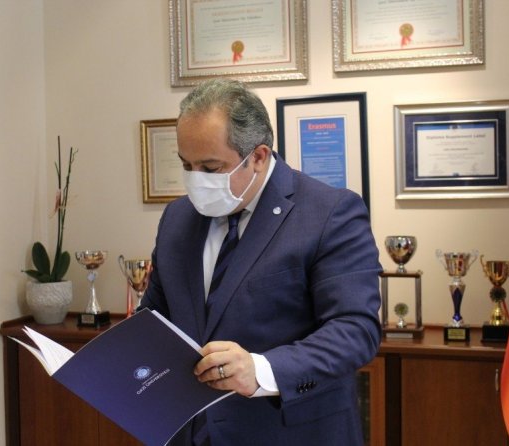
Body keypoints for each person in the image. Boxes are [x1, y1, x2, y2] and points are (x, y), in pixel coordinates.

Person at [139, 78, 381, 445]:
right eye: (186, 165)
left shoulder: (329, 212)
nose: (195, 180)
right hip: (190, 433)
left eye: (210, 167)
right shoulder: (178, 218)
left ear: (258, 156)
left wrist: (261, 369)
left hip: (290, 433)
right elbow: (155, 318)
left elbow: (355, 330)